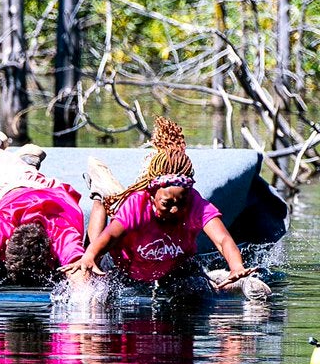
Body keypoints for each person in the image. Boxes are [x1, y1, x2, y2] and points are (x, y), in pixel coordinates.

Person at [65, 117, 268, 298]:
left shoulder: (196, 204)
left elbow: (223, 240)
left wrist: (236, 266)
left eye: (181, 203)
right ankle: (100, 197)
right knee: (93, 285)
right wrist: (90, 257)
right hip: (126, 267)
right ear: (152, 194)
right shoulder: (137, 204)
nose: (175, 210)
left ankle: (236, 281)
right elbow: (108, 237)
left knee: (199, 292)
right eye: (167, 204)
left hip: (174, 268)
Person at [0, 130, 88, 303]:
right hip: (22, 187)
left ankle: (5, 155)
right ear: (6, 242)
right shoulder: (3, 223)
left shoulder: (60, 233)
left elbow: (81, 277)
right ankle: (4, 155)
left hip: (39, 188)